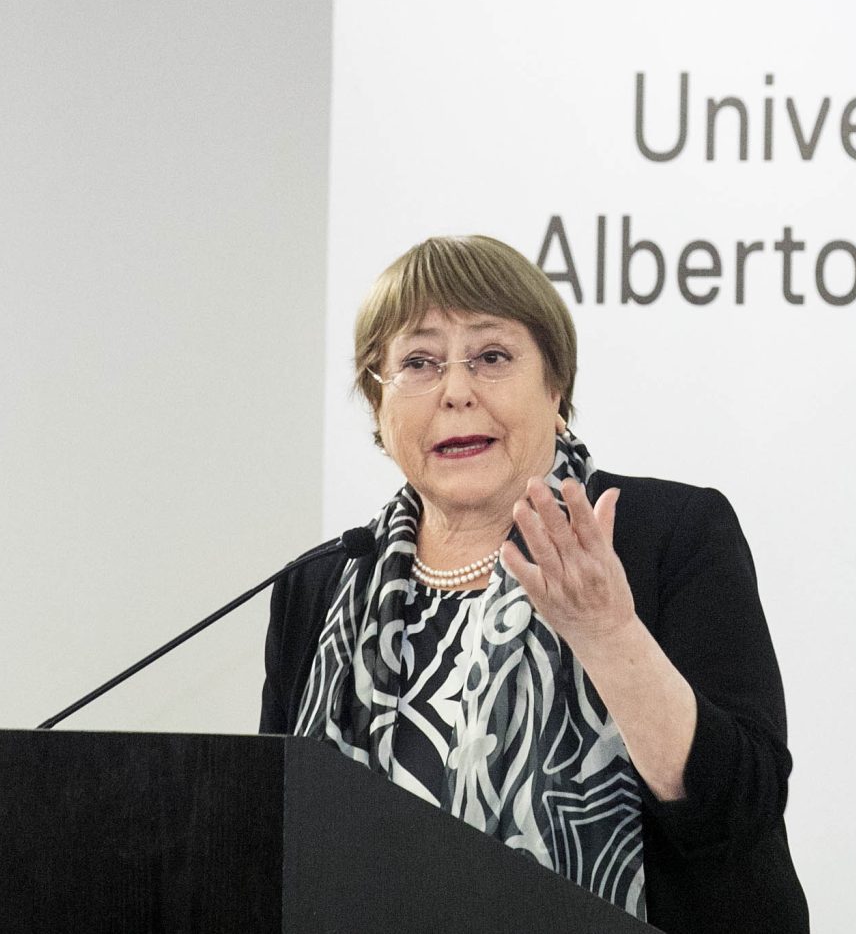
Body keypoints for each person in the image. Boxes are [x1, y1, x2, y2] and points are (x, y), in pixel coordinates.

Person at [261, 235, 808, 933]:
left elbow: (739, 813)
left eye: (491, 357)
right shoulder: (321, 587)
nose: (456, 391)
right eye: (419, 363)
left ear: (556, 385)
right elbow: (274, 844)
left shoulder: (666, 534)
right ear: (378, 404)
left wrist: (610, 636)